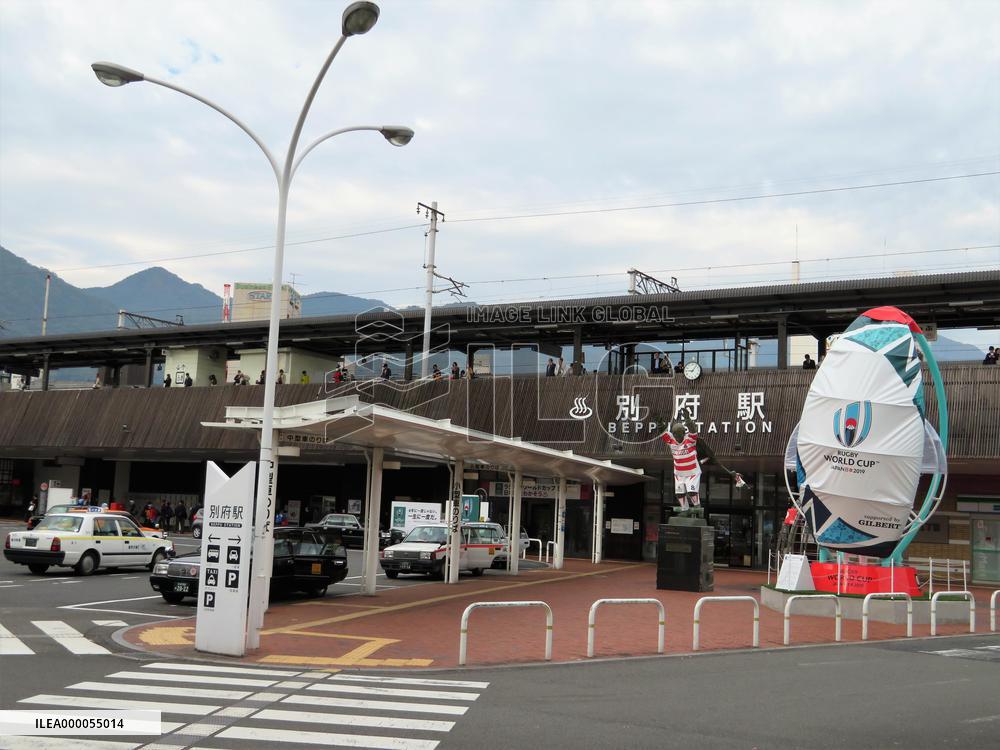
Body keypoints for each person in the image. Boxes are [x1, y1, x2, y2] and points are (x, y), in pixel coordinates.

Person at [662, 408, 740, 512]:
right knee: (679, 493)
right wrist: (659, 423)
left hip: (692, 472)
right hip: (679, 474)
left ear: (683, 433)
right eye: (675, 434)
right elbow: (663, 433)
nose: (677, 436)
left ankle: (697, 507)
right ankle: (685, 509)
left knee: (692, 492)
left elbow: (693, 431)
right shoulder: (671, 442)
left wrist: (688, 419)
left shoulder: (690, 440)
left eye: (679, 433)